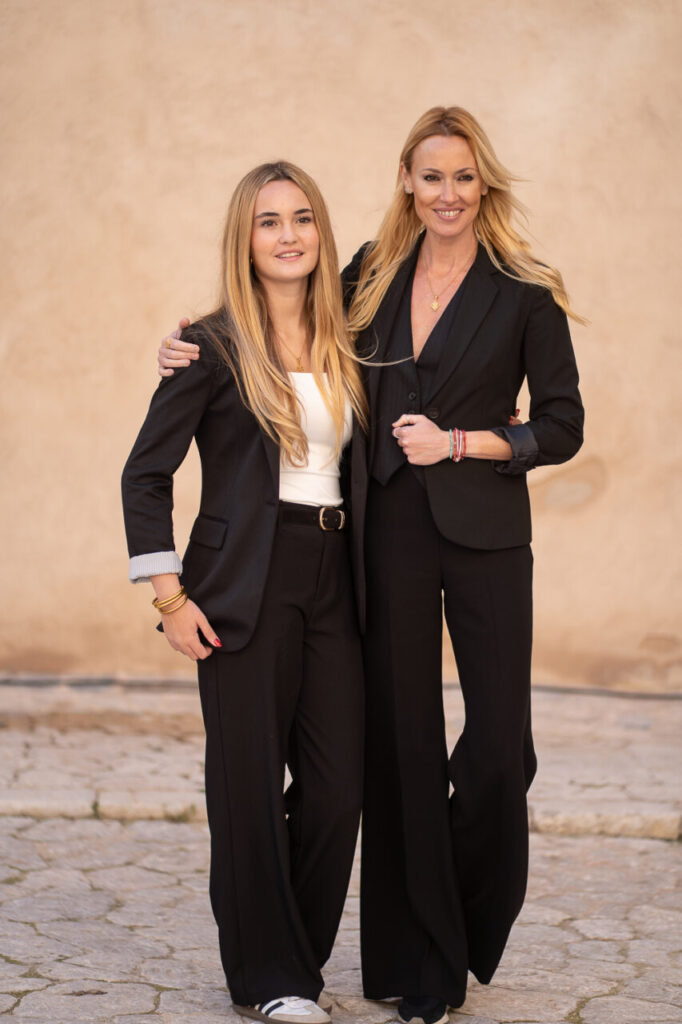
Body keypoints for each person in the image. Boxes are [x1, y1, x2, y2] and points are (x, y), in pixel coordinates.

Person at [158, 106, 584, 1024]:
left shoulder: (525, 293)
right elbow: (285, 319)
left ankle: (469, 914)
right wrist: (191, 337)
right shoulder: (369, 277)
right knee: (399, 748)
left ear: (484, 186)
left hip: (488, 541)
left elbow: (562, 424)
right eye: (431, 176)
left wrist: (466, 441)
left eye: (464, 177)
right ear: (406, 180)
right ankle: (415, 964)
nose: (448, 194)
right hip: (383, 535)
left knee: (498, 749)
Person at [122, 161, 368, 1024]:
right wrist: (168, 595)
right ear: (245, 236)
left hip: (337, 578)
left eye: (303, 218)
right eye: (269, 222)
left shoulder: (354, 329)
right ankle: (270, 980)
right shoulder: (211, 345)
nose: (289, 235)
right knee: (249, 788)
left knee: (340, 788)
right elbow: (144, 475)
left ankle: (293, 953)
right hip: (238, 586)